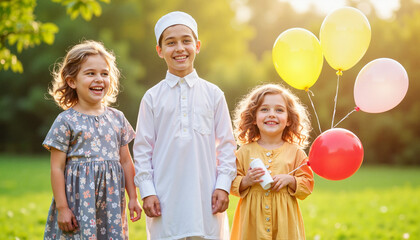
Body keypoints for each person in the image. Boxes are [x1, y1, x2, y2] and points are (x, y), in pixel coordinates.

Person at [133, 11, 237, 240]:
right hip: (164, 199)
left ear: (197, 46)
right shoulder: (152, 97)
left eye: (186, 41)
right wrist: (147, 191)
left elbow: (228, 146)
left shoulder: (213, 94)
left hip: (206, 198)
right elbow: (142, 150)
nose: (179, 48)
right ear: (160, 51)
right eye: (171, 43)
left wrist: (223, 185)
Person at [42, 40, 142, 239]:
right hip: (78, 205)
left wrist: (133, 198)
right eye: (90, 73)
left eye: (104, 74)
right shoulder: (66, 121)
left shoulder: (117, 118)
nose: (99, 79)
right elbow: (57, 168)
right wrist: (62, 208)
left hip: (111, 205)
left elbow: (125, 161)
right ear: (72, 81)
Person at [230, 83, 314, 240]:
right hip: (252, 224)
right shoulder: (243, 152)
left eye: (279, 110)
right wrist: (246, 180)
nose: (271, 114)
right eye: (264, 109)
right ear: (253, 118)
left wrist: (291, 180)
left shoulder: (296, 153)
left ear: (289, 120)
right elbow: (231, 182)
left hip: (285, 225)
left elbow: (307, 185)